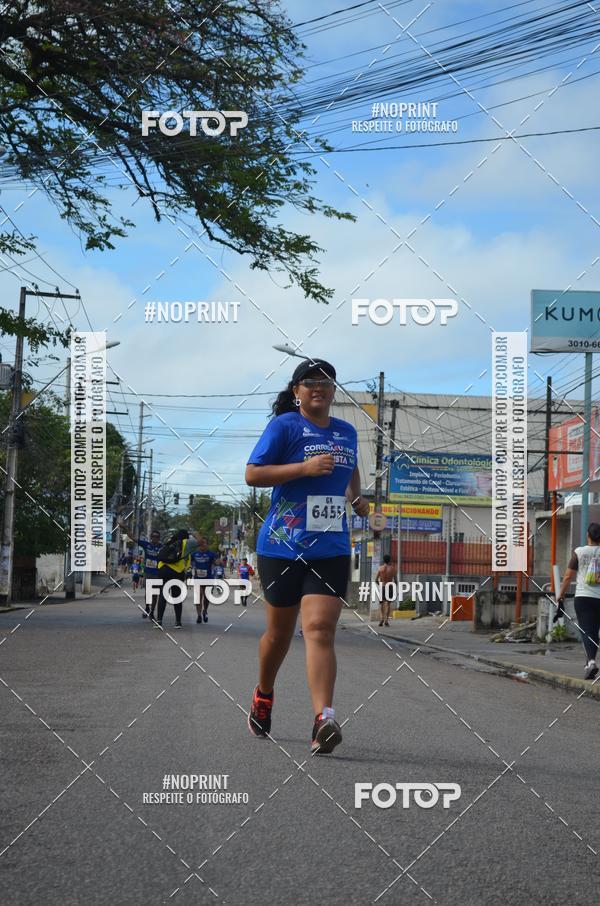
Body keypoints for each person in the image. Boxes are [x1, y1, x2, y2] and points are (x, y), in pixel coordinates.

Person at [245, 358, 370, 754]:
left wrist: (357, 498)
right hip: (281, 545)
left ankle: (323, 720)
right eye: (310, 382)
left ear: (334, 392)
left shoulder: (347, 432)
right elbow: (253, 474)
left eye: (327, 382)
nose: (319, 387)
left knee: (319, 629)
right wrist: (304, 468)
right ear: (296, 391)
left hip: (330, 546)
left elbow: (349, 471)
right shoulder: (284, 426)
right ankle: (264, 694)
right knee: (279, 634)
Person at [557, 522, 600, 680]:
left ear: (588, 535)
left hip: (583, 597)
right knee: (594, 631)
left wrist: (560, 595)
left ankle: (591, 662)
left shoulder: (579, 552)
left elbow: (568, 576)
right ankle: (589, 663)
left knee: (588, 631)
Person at [155, 529, 203, 628]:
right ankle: (178, 622)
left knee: (163, 595)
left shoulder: (169, 541)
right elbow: (200, 541)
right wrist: (195, 533)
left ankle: (159, 621)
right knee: (176, 596)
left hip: (163, 569)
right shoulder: (186, 543)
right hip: (177, 572)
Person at [119, 525, 162, 619]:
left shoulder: (162, 547)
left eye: (157, 537)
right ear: (151, 537)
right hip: (148, 573)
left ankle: (152, 612)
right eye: (153, 536)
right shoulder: (146, 545)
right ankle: (147, 607)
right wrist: (125, 528)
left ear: (159, 538)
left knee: (155, 594)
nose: (155, 538)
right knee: (148, 592)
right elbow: (133, 537)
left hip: (157, 574)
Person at [191, 537, 217, 623]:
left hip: (208, 578)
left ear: (207, 544)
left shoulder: (211, 554)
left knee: (206, 597)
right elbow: (189, 562)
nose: (202, 545)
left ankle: (205, 610)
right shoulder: (194, 554)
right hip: (198, 579)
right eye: (201, 543)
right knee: (199, 597)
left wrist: (217, 562)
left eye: (204, 543)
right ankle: (199, 616)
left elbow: (216, 563)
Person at [376, 555, 396, 627]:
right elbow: (395, 580)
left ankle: (382, 619)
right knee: (388, 604)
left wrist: (380, 585)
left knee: (381, 604)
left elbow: (376, 580)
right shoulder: (392, 569)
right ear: (389, 560)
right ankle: (386, 620)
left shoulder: (380, 568)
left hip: (383, 586)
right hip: (390, 587)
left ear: (384, 560)